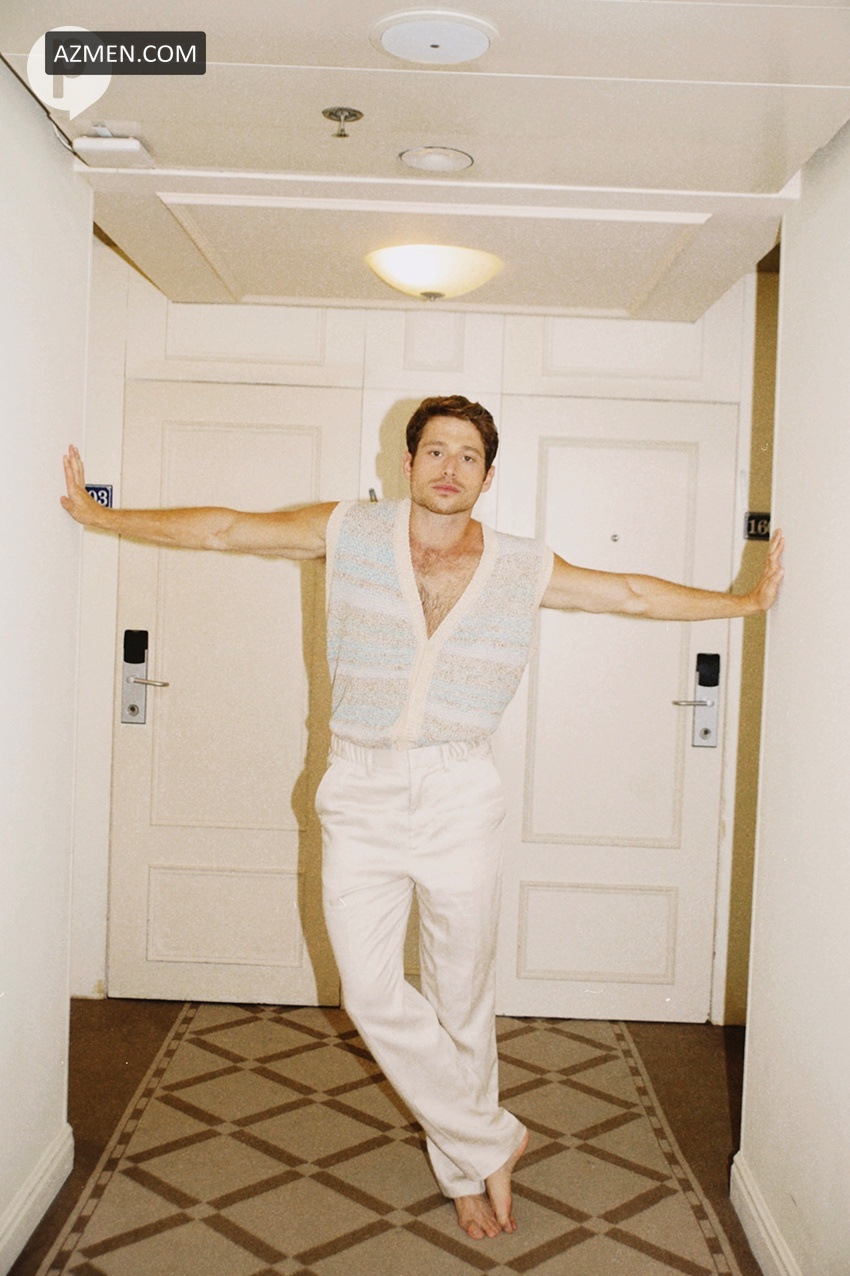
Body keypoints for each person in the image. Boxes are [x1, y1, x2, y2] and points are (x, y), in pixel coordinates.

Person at [61, 395, 784, 1242]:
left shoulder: (520, 563)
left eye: (468, 455)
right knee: (369, 990)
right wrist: (102, 516)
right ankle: (489, 1137)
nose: (450, 467)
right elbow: (225, 529)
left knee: (460, 992)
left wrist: (745, 604)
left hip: (458, 791)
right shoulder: (349, 530)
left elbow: (628, 593)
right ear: (406, 464)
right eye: (435, 451)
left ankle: (468, 1172)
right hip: (359, 788)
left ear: (487, 475)